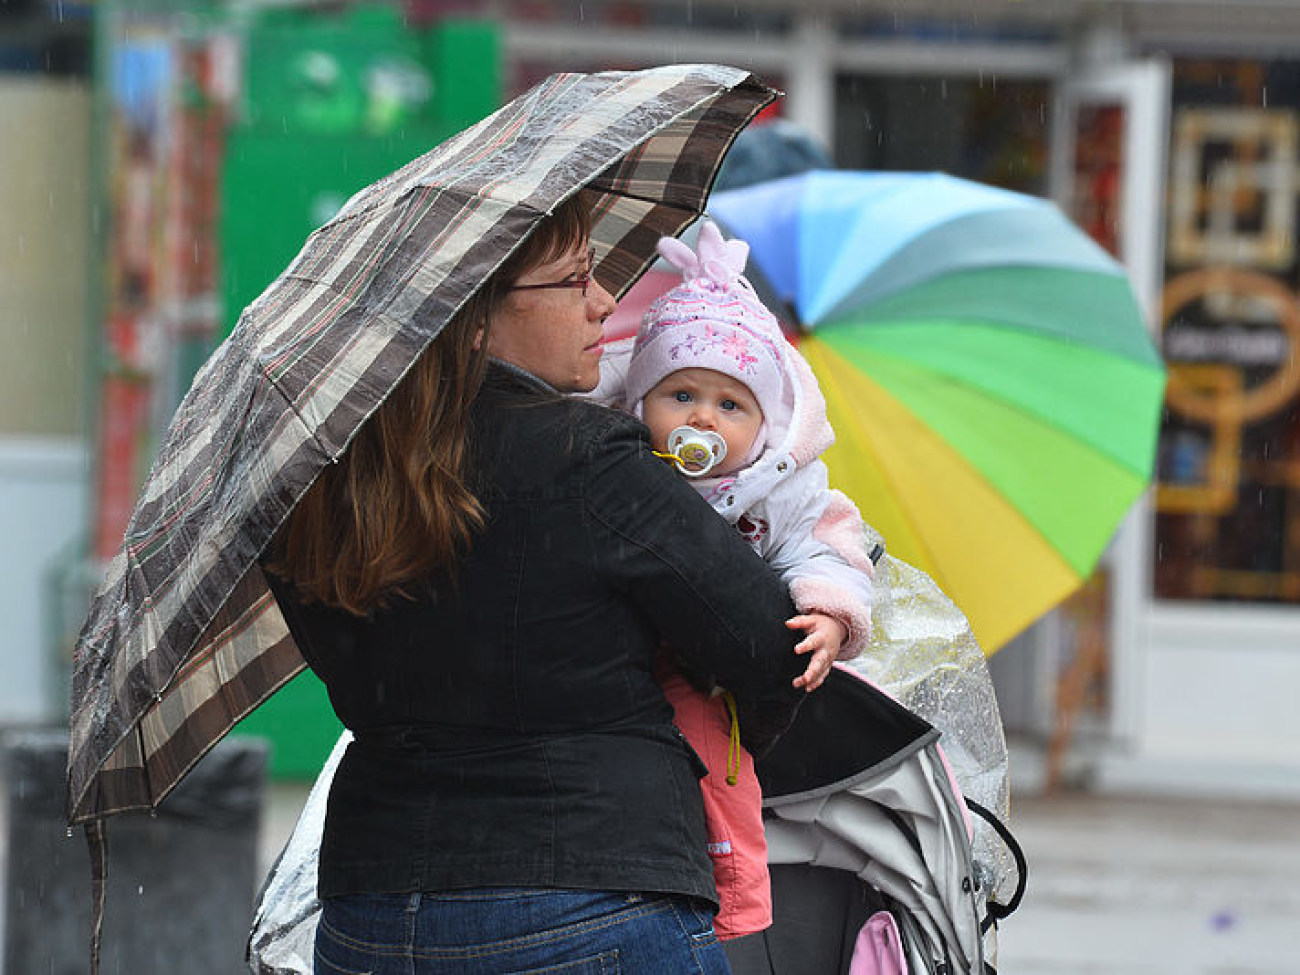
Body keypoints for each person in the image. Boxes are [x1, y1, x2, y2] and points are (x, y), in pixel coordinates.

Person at [260, 192, 808, 975]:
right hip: (591, 902)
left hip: (373, 920)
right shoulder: (589, 459)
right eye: (575, 279)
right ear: (474, 317)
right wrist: (714, 722)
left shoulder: (323, 481)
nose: (606, 302)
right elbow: (769, 645)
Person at [591, 221, 877, 944]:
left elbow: (829, 548)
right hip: (616, 657)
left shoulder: (776, 488)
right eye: (680, 393)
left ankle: (736, 905)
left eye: (730, 405)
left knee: (719, 775)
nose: (701, 418)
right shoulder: (622, 469)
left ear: (765, 420)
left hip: (700, 674)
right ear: (640, 400)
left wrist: (831, 615)